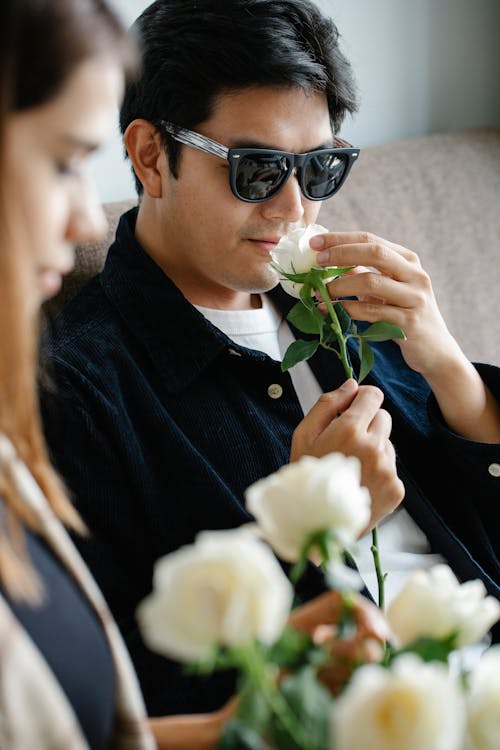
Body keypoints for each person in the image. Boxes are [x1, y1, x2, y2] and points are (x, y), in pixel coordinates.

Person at [40, 0, 500, 719]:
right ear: (151, 156)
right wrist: (308, 526)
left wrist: (450, 370)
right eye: (257, 170)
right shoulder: (78, 387)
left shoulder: (347, 303)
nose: (295, 209)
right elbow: (112, 696)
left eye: (319, 169)